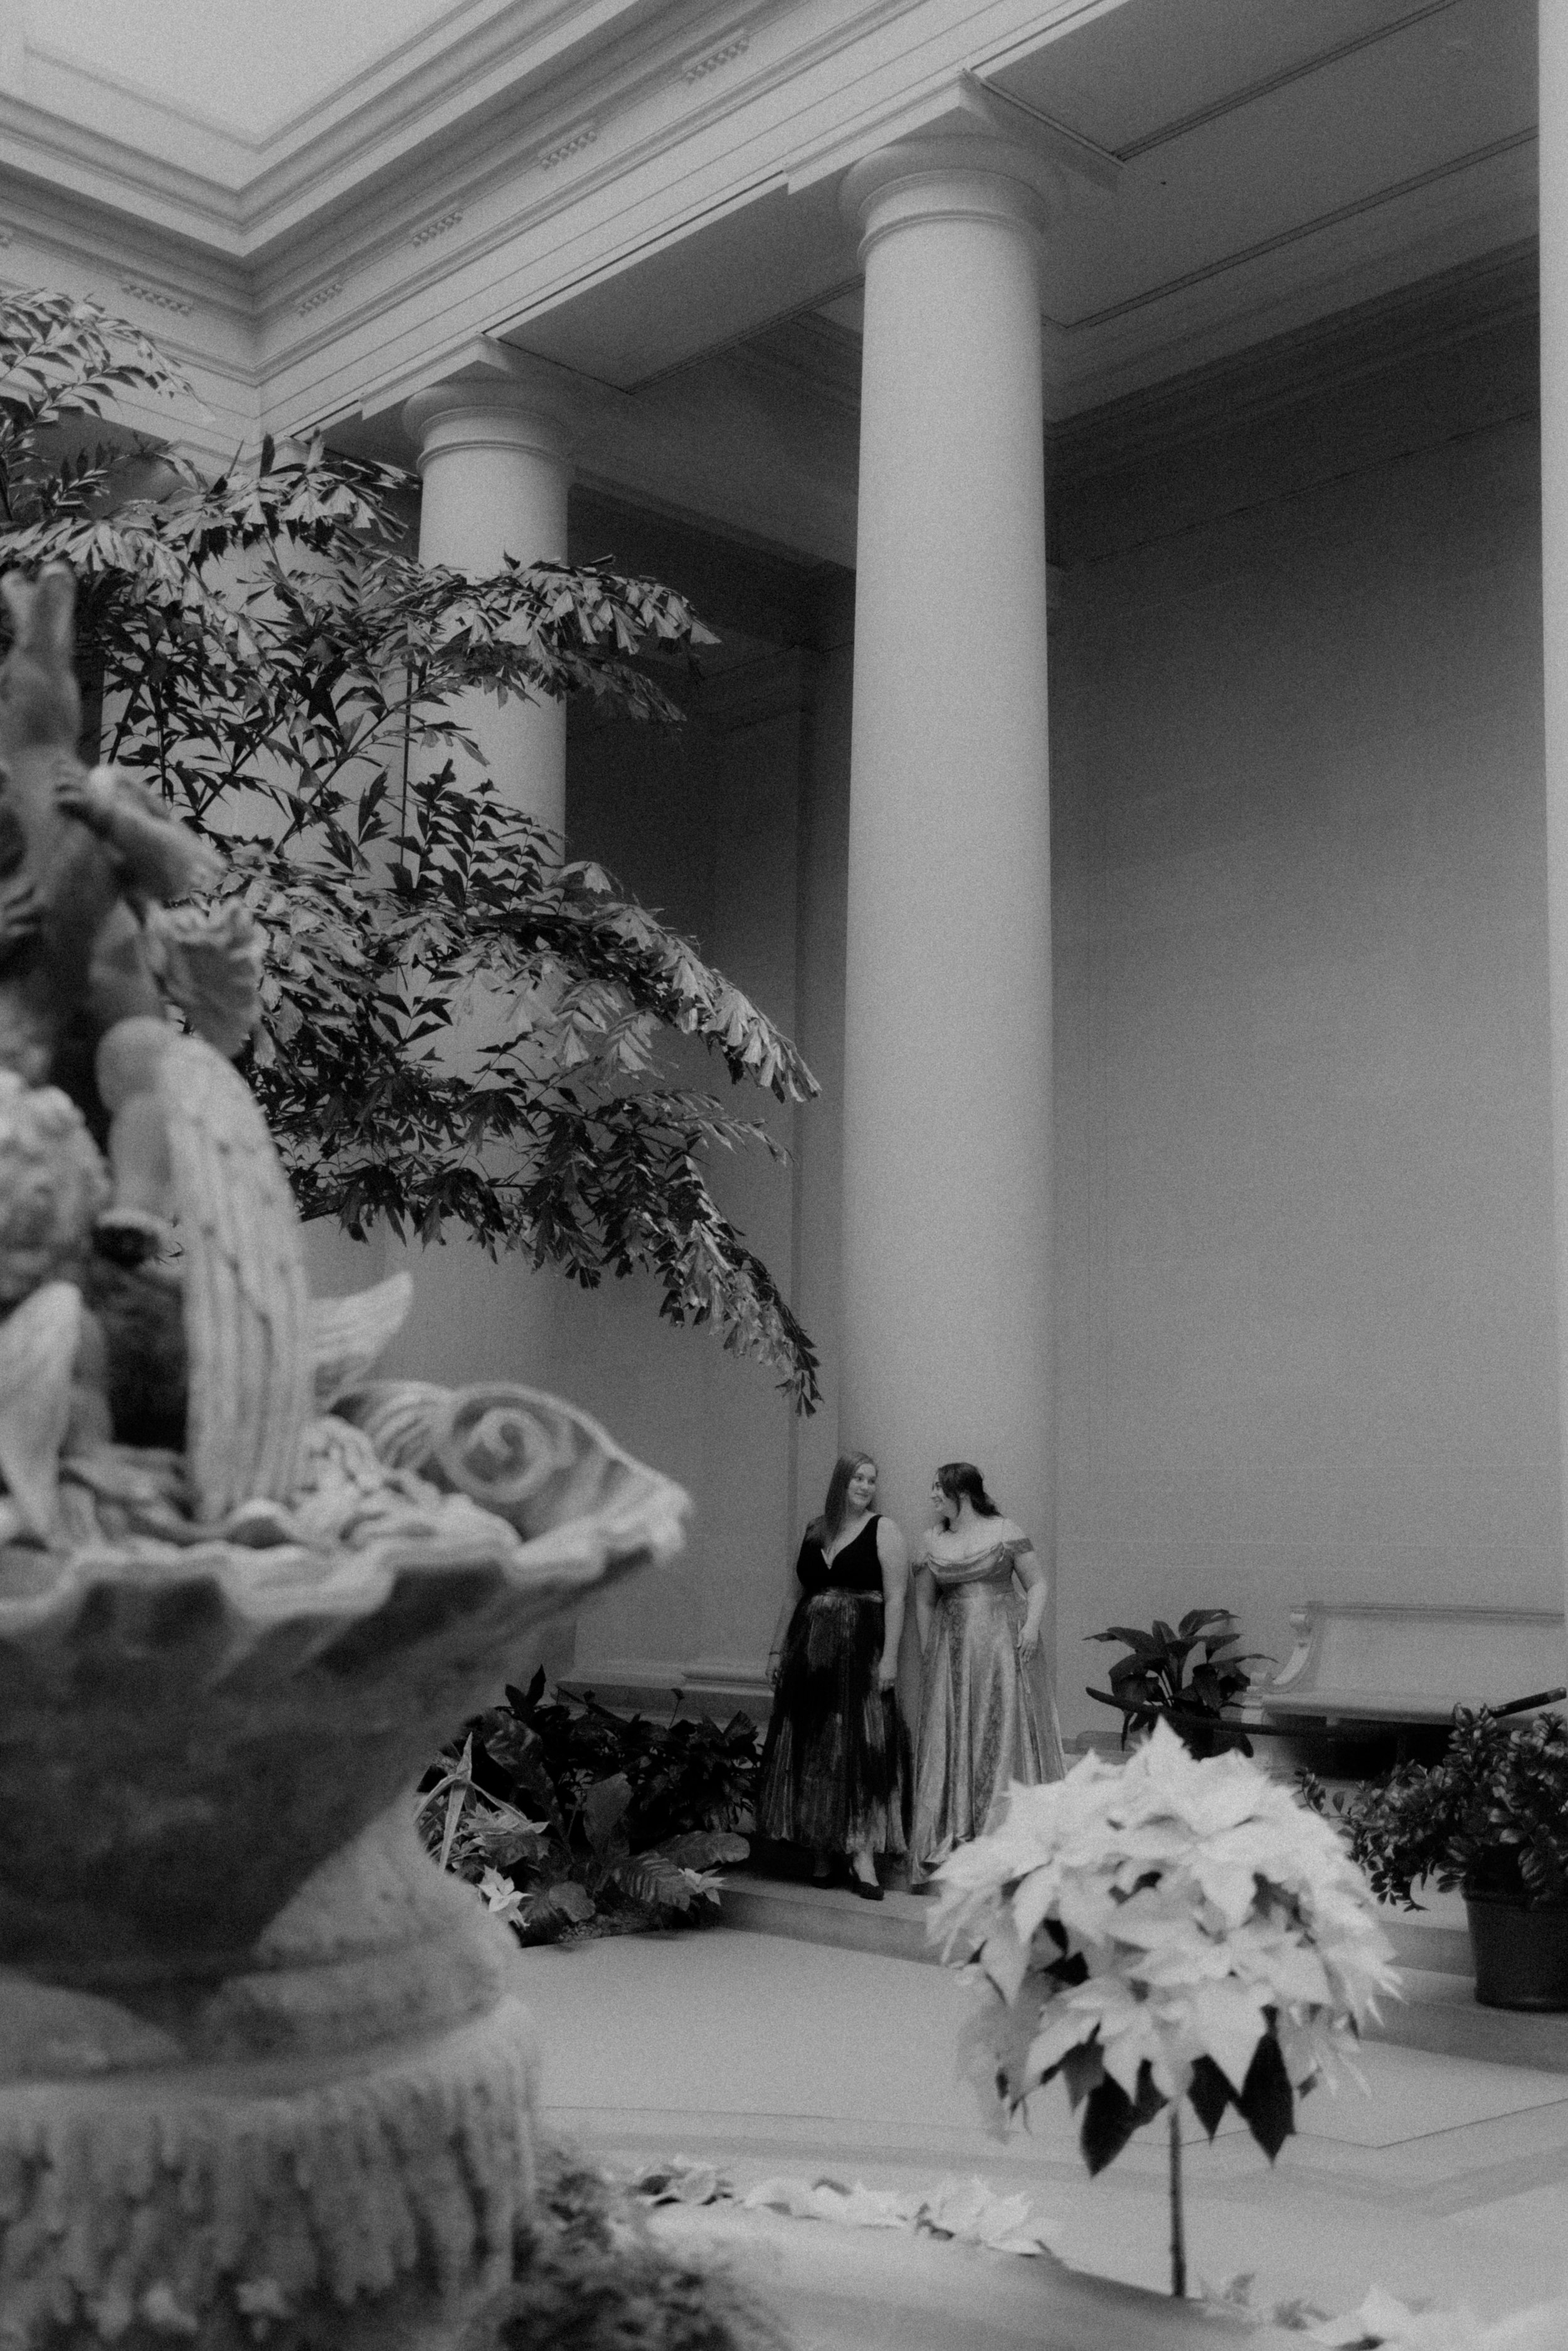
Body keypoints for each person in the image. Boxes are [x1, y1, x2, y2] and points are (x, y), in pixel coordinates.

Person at [756, 1451, 908, 1898]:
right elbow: (793, 1594)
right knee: (813, 1747)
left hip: (860, 1657)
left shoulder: (886, 1530)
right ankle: (822, 1851)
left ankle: (863, 1858)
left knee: (858, 1752)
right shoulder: (815, 1529)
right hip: (809, 1655)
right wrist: (777, 1648)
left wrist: (891, 1659)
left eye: (871, 1480)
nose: (865, 1487)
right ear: (840, 1483)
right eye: (858, 1479)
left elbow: (896, 1599)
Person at [910, 1460, 1064, 1877]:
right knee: (957, 1735)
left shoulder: (1005, 1531)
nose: (932, 1496)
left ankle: (1007, 1838)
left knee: (1001, 1733)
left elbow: (1038, 1583)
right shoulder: (930, 1542)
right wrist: (929, 1650)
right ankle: (959, 1834)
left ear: (961, 1493)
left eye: (938, 1488)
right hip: (953, 1652)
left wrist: (1032, 1627)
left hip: (1002, 1648)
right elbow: (924, 1600)